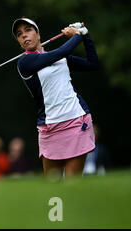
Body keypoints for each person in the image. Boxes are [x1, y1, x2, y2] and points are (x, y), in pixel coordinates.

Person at [13, 18, 100, 178]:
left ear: (38, 34)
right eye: (19, 34)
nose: (24, 36)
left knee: (72, 184)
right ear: (19, 42)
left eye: (28, 30)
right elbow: (60, 52)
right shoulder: (25, 62)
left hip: (76, 121)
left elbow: (93, 63)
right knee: (53, 188)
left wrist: (85, 35)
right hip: (50, 129)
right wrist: (77, 35)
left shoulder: (60, 59)